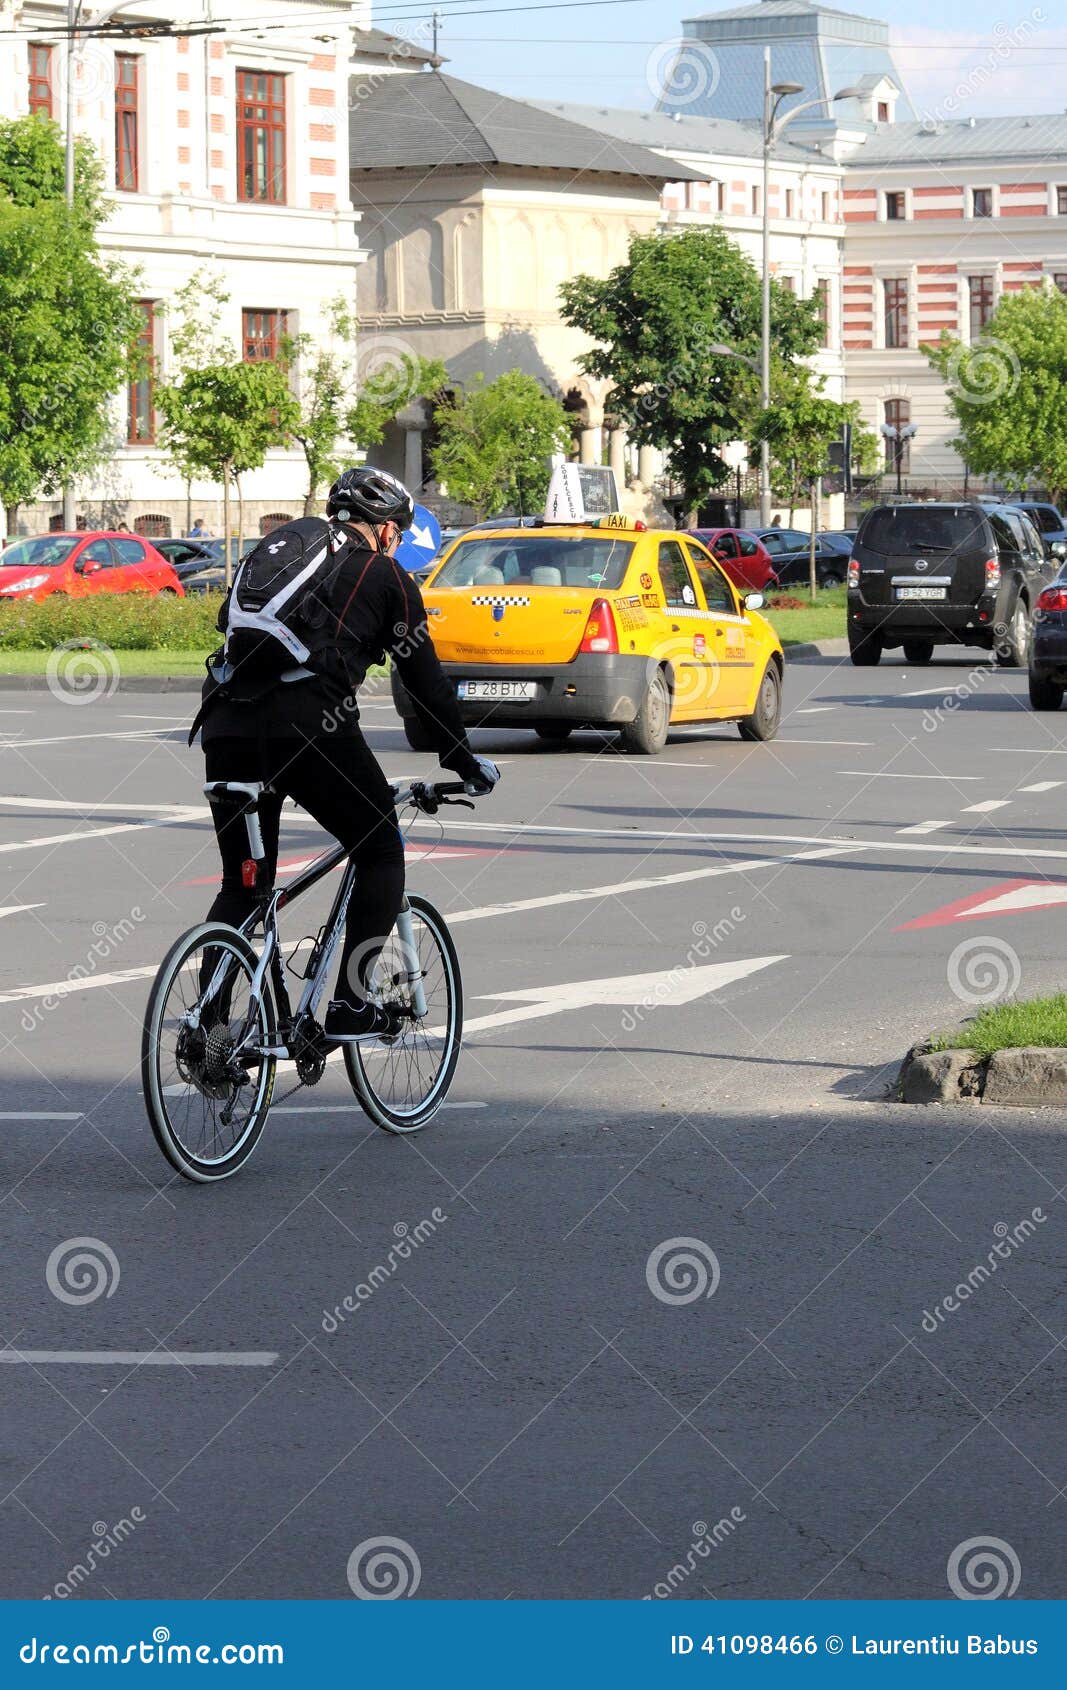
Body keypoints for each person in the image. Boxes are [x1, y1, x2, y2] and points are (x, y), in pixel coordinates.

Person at [194, 467, 499, 1043]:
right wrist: (463, 760)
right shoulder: (385, 576)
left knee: (243, 884)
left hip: (226, 722)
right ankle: (350, 1006)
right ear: (384, 530)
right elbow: (425, 681)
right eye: (399, 535)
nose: (397, 545)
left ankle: (208, 1031)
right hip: (309, 728)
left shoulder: (282, 554)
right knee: (380, 850)